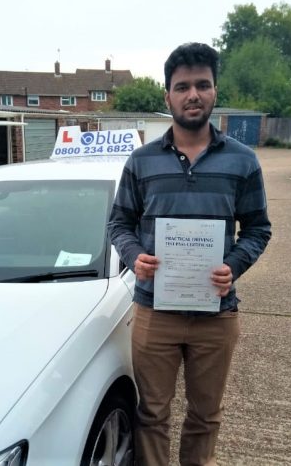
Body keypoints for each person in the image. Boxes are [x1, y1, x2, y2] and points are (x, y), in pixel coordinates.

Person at [108, 42, 271, 466]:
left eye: (202, 84)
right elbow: (118, 224)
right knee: (153, 413)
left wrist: (232, 266)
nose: (192, 94)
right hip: (154, 313)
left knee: (205, 415)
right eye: (182, 87)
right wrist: (133, 255)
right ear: (168, 96)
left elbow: (257, 228)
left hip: (216, 314)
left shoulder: (243, 161)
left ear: (215, 91)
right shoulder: (141, 162)